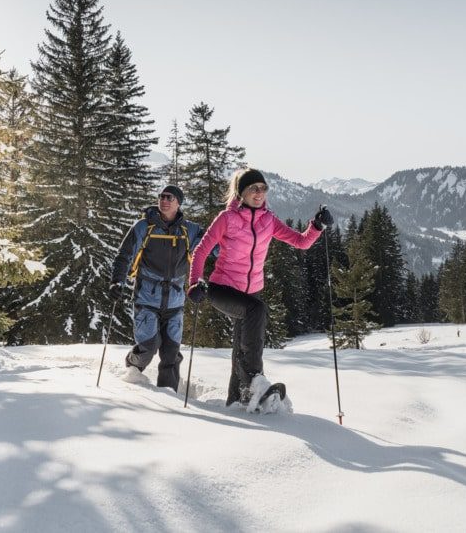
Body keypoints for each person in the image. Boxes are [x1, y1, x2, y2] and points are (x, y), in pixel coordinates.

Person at [187, 168, 332, 410]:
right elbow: (201, 251)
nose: (259, 193)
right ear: (241, 192)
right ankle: (255, 381)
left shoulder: (268, 220)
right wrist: (194, 282)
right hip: (222, 288)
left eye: (263, 188)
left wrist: (316, 226)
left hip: (251, 291)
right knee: (257, 310)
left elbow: (300, 241)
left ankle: (237, 401)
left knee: (242, 346)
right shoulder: (227, 218)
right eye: (254, 188)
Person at [110, 185, 205, 390]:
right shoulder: (144, 227)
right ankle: (132, 366)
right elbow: (124, 256)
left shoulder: (191, 230)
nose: (164, 200)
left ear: (179, 202)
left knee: (172, 352)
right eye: (162, 196)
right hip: (146, 298)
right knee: (148, 347)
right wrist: (117, 281)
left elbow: (211, 249)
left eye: (170, 197)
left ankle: (168, 394)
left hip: (175, 300)